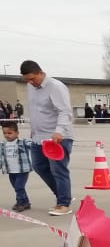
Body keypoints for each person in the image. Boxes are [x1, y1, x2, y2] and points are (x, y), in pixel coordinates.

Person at [20, 60, 75, 216]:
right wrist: (33, 130)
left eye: (32, 78)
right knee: (38, 166)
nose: (30, 82)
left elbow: (65, 111)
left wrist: (59, 131)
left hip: (57, 136)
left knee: (58, 170)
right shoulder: (31, 87)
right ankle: (63, 195)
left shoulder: (56, 87)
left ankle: (64, 204)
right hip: (38, 137)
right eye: (27, 80)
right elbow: (34, 110)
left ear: (40, 72)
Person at [1, 120, 34, 212]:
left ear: (17, 133)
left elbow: (33, 145)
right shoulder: (3, 144)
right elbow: (1, 158)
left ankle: (20, 202)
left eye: (10, 133)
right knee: (17, 187)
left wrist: (36, 139)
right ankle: (26, 202)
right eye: (4, 133)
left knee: (19, 186)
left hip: (22, 170)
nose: (7, 135)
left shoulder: (23, 142)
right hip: (11, 171)